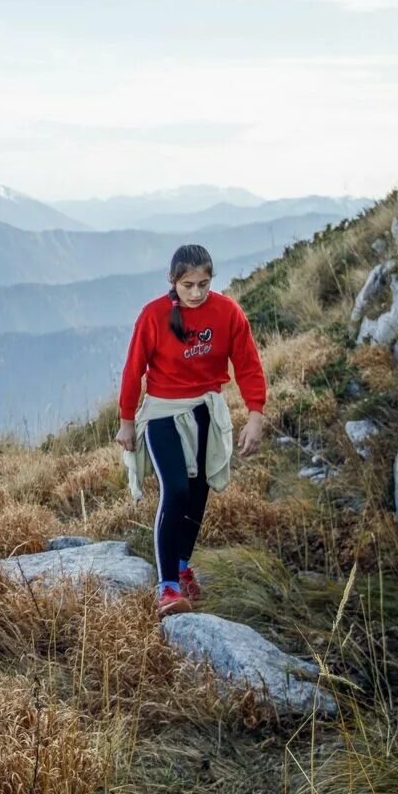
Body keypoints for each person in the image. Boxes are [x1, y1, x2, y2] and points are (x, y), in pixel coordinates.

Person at [115, 244, 267, 618]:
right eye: (188, 285)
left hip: (206, 411)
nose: (196, 293)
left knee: (200, 492)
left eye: (203, 283)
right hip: (164, 412)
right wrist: (126, 420)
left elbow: (247, 363)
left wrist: (255, 414)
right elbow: (133, 369)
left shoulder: (228, 312)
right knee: (177, 489)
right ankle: (166, 588)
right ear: (173, 281)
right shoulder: (153, 316)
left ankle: (182, 566)